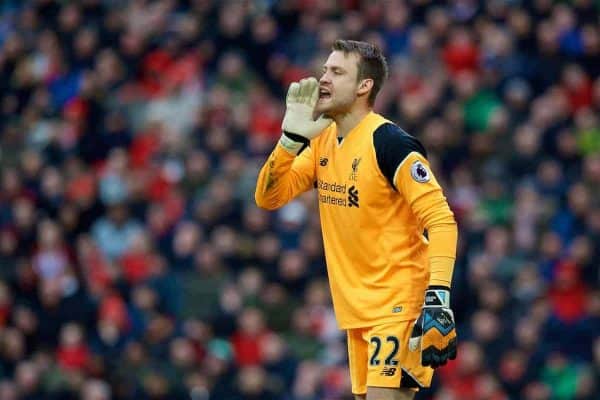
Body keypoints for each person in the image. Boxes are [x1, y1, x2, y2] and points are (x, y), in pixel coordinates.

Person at [255, 40, 458, 400]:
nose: (323, 79)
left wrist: (437, 298)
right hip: (357, 308)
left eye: (337, 72)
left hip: (398, 300)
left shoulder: (390, 144)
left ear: (364, 86)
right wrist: (289, 140)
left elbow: (441, 220)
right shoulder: (322, 141)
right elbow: (269, 197)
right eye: (324, 70)